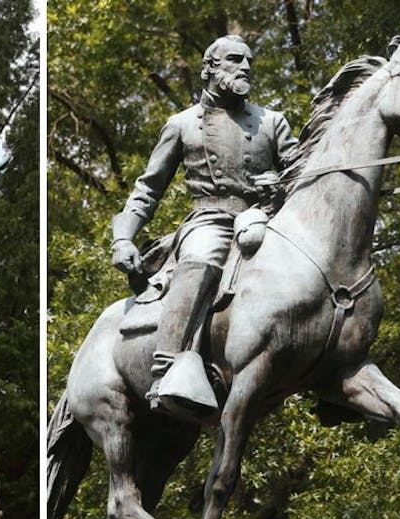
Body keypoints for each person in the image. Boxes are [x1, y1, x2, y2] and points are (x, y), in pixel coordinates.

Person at [111, 35, 298, 418]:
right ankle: (167, 368)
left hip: (266, 216)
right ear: (210, 67)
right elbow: (148, 189)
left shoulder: (272, 122)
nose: (246, 67)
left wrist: (280, 185)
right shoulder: (181, 125)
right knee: (201, 257)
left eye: (249, 61)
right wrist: (123, 236)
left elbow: (301, 172)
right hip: (210, 218)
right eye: (234, 60)